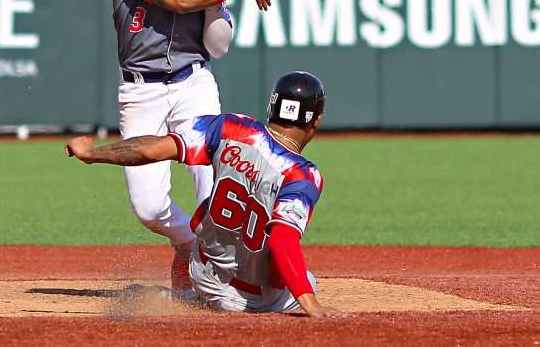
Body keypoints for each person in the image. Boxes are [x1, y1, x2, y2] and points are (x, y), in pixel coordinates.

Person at [108, 0, 272, 296]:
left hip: (192, 83)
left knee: (212, 182)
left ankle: (220, 273)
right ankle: (187, 244)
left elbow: (218, 48)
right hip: (141, 90)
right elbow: (176, 0)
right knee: (148, 207)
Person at [67, 71, 344, 317]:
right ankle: (190, 300)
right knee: (307, 280)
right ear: (316, 121)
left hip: (203, 272)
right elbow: (282, 240)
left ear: (271, 108)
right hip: (252, 299)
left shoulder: (230, 127)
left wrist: (93, 154)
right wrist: (309, 303)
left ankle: (182, 298)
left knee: (207, 238)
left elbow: (149, 150)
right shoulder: (304, 175)